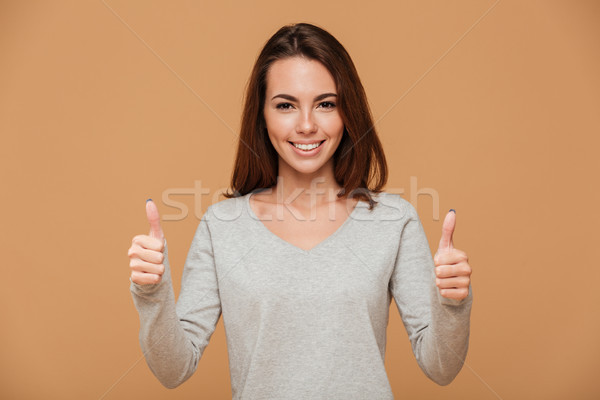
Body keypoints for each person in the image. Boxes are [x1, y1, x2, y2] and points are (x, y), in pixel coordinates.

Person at [127, 22, 473, 399]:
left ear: (347, 112)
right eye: (286, 105)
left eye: (326, 104)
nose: (307, 125)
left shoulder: (394, 221)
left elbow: (441, 367)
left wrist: (452, 303)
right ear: (262, 115)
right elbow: (174, 369)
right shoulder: (221, 227)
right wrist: (152, 293)